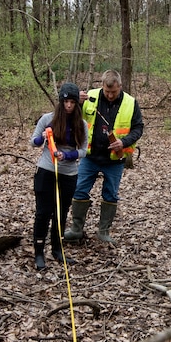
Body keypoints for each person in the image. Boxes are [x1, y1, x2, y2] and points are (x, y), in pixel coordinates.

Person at [64, 69, 144, 244]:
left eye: (113, 92)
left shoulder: (130, 103)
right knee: (79, 190)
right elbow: (69, 116)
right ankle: (76, 229)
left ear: (120, 86)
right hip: (90, 156)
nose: (109, 95)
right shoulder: (89, 97)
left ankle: (103, 231)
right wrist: (77, 102)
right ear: (101, 86)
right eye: (107, 92)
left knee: (110, 194)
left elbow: (138, 128)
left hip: (115, 159)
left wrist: (123, 142)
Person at [29, 82, 87, 269]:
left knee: (61, 213)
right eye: (66, 102)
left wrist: (68, 155)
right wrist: (43, 138)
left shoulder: (82, 124)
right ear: (60, 102)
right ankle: (38, 251)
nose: (69, 105)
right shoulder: (48, 119)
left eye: (72, 102)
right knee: (43, 212)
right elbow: (33, 142)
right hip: (46, 170)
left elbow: (84, 150)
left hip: (69, 174)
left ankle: (57, 249)